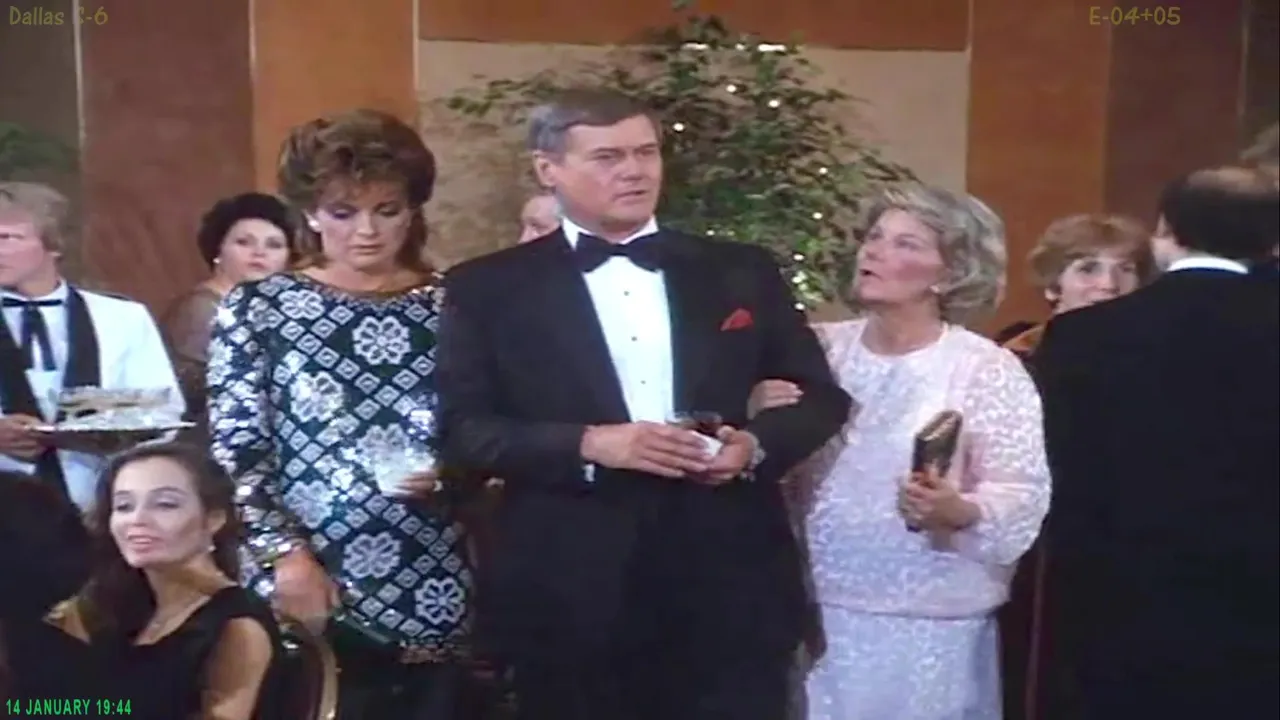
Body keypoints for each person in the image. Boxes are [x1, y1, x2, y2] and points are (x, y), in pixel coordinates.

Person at [436, 88, 851, 720]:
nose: (634, 171)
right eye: (607, 157)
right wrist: (591, 443)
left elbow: (820, 397)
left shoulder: (740, 270)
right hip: (572, 585)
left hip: (728, 578)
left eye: (646, 152)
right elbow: (465, 430)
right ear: (548, 170)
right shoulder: (487, 287)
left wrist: (754, 446)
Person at [209, 109, 479, 719]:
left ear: (412, 210)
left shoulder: (455, 304)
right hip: (301, 563)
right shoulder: (261, 307)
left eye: (387, 210)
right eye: (343, 212)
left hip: (432, 558)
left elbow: (487, 430)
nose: (367, 231)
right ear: (309, 213)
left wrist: (454, 473)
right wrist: (284, 554)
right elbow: (236, 447)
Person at [758, 184, 1049, 720]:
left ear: (950, 273)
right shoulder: (818, 350)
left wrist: (957, 510)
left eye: (905, 244)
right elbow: (764, 460)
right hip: (810, 610)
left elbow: (1021, 491)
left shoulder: (985, 368)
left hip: (931, 622)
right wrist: (758, 410)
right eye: (874, 237)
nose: (874, 251)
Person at [1036, 167, 1279, 719]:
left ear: (1165, 230)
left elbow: (1061, 478)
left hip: (1117, 608)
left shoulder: (1082, 336)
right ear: (1271, 239)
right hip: (1261, 611)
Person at [997, 213, 1153, 720]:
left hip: (1134, 542)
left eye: (1125, 269)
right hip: (1039, 546)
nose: (1108, 283)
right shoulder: (1012, 360)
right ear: (1053, 285)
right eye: (1088, 268)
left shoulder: (1159, 359)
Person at [15, 442, 282, 719]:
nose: (137, 520)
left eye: (165, 505)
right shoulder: (120, 609)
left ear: (214, 519)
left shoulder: (237, 626)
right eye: (124, 506)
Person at [0, 181, 183, 511]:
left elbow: (164, 409)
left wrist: (104, 433)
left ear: (54, 244)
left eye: (6, 238)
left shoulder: (122, 318)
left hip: (98, 503)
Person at [160, 193, 297, 441]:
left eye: (274, 245)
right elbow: (204, 391)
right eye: (244, 242)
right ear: (218, 250)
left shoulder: (279, 309)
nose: (259, 252)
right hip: (205, 442)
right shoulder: (199, 310)